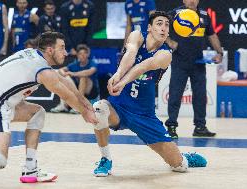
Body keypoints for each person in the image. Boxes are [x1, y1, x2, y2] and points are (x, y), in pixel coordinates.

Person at [0, 31, 97, 183]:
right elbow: (66, 96)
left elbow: (62, 79)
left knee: (37, 113)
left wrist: (85, 103)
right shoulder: (43, 71)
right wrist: (85, 113)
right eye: (62, 48)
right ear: (50, 50)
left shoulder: (34, 55)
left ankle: (30, 169)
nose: (66, 52)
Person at [91, 11, 207, 177]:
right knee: (99, 108)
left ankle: (184, 157)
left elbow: (142, 67)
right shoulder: (136, 35)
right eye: (159, 23)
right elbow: (131, 54)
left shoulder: (165, 54)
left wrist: (122, 82)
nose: (164, 28)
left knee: (179, 166)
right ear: (150, 28)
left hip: (144, 115)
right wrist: (117, 74)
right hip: (119, 107)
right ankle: (105, 159)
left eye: (167, 25)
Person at [164, 0, 222, 139]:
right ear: (183, 0)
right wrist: (170, 42)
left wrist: (219, 52)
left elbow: (212, 35)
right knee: (175, 95)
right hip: (180, 62)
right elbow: (159, 27)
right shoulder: (175, 14)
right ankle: (171, 126)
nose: (192, 1)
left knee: (201, 96)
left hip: (198, 62)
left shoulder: (204, 15)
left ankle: (200, 127)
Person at [51, 44, 99, 113]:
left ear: (88, 54)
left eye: (84, 53)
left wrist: (73, 73)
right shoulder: (75, 64)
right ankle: (63, 105)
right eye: (80, 54)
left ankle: (80, 105)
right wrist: (64, 74)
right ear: (77, 55)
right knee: (64, 78)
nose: (82, 55)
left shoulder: (92, 63)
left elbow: (89, 72)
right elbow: (61, 70)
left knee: (83, 77)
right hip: (77, 90)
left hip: (91, 91)